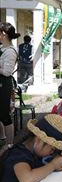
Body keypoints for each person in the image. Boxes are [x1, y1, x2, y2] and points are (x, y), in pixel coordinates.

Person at [0, 114, 62, 182]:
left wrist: (57, 161)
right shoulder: (18, 155)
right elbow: (27, 179)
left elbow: (43, 164)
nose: (51, 153)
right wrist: (53, 165)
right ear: (39, 140)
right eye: (53, 149)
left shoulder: (34, 151)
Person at [0, 22, 20, 150]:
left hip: (4, 85)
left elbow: (7, 72)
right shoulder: (3, 48)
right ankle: (3, 139)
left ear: (3, 34)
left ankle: (9, 144)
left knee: (4, 115)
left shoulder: (11, 51)